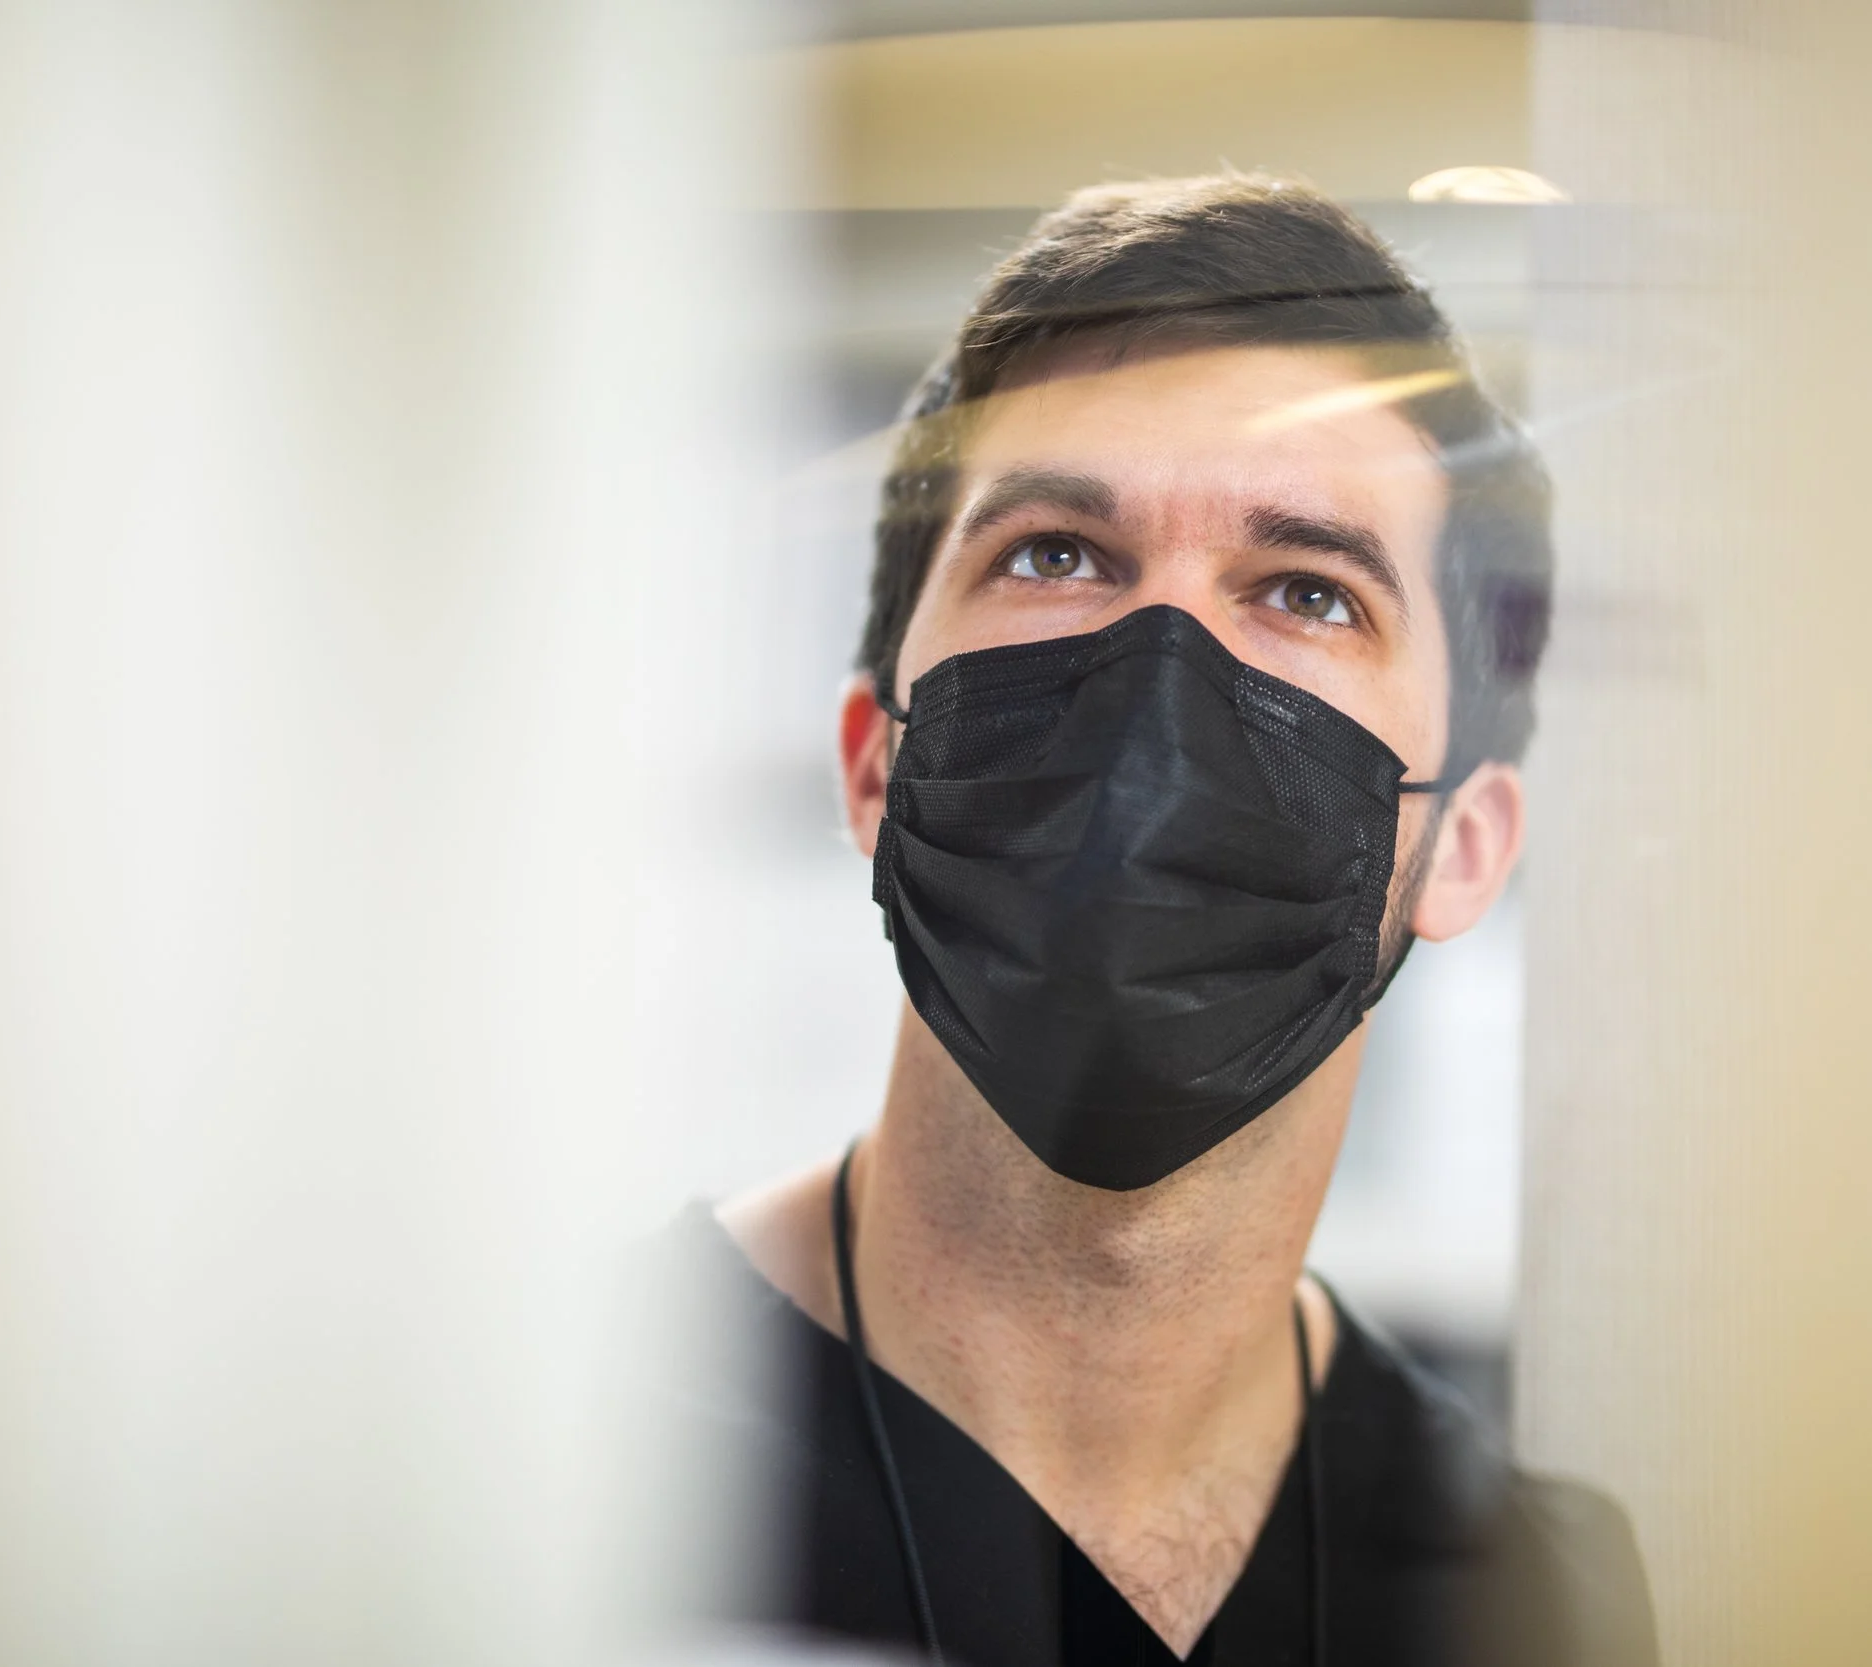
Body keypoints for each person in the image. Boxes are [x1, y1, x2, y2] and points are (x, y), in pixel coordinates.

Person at [651, 175, 1655, 1667]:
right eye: (1055, 553)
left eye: (1307, 590)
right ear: (877, 762)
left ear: (1464, 844)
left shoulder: (1531, 1591)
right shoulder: (540, 1451)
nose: (1159, 680)